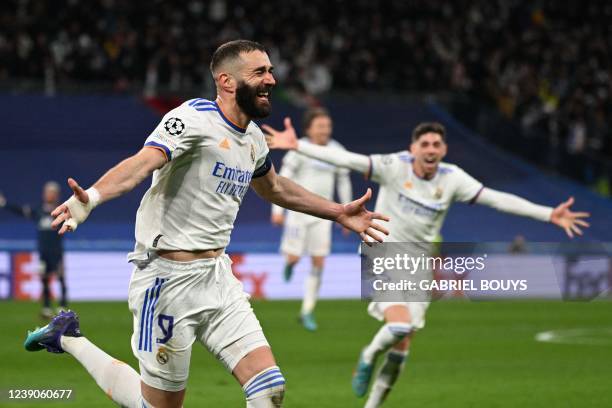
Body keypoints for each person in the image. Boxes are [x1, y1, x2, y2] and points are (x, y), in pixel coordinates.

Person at [23, 40, 389, 408]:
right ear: (227, 81)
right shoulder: (194, 119)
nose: (272, 80)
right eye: (260, 72)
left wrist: (338, 212)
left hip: (217, 277)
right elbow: (144, 161)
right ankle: (68, 337)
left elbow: (275, 188)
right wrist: (94, 198)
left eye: (271, 71)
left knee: (269, 389)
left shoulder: (255, 140)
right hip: (166, 281)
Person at [264, 120, 590, 408]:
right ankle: (366, 356)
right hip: (383, 253)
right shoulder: (393, 166)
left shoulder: (453, 179)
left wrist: (549, 214)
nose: (431, 149)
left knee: (402, 347)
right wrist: (299, 146)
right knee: (399, 327)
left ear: (444, 149)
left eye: (437, 144)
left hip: (420, 264)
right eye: (425, 144)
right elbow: (348, 159)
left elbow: (497, 199)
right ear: (413, 149)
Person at [270, 107, 352, 331]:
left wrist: (347, 212)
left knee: (319, 262)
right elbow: (280, 179)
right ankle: (290, 263)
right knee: (296, 258)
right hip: (297, 212)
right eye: (320, 126)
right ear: (309, 129)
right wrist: (277, 211)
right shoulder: (299, 149)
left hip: (323, 214)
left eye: (327, 126)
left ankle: (307, 311)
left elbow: (343, 181)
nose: (325, 130)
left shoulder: (337, 150)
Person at [0, 182, 67, 318]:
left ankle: (62, 306)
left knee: (60, 277)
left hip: (57, 251)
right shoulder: (39, 211)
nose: (48, 195)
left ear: (56, 195)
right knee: (44, 278)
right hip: (43, 251)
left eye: (51, 192)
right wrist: (4, 204)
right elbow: (21, 211)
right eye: (47, 192)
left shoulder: (62, 211)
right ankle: (47, 307)